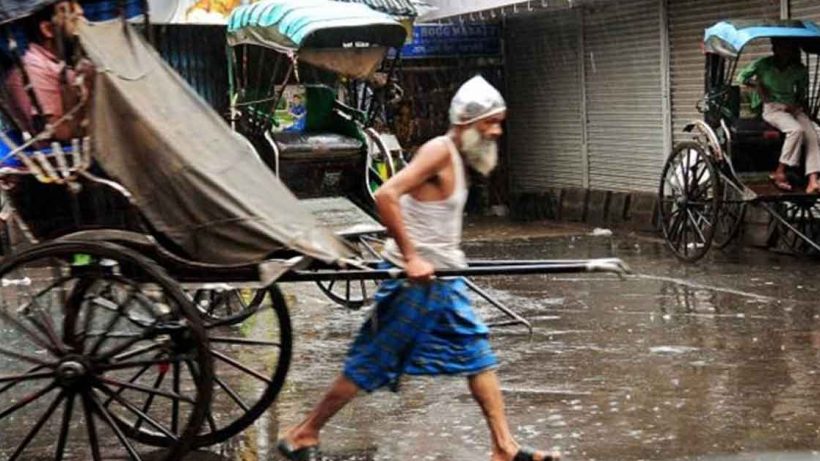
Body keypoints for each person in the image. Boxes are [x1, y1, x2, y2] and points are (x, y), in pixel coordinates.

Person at [277, 76, 559, 461]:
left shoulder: (458, 159)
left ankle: (503, 446)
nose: (496, 131)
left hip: (444, 280)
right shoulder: (439, 152)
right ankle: (303, 433)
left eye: (498, 122)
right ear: (464, 122)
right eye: (489, 123)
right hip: (414, 285)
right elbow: (386, 194)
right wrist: (412, 256)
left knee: (478, 354)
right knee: (370, 362)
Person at [737, 38, 820, 193]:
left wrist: (799, 107)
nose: (786, 51)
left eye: (790, 48)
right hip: (773, 108)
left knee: (813, 135)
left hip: (793, 108)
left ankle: (812, 180)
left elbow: (801, 93)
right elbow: (741, 77)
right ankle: (780, 171)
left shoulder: (799, 69)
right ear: (775, 48)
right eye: (782, 47)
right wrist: (757, 85)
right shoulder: (763, 64)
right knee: (796, 130)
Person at [3, 0, 89, 143]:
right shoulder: (33, 70)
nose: (80, 14)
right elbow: (59, 133)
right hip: (65, 157)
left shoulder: (62, 63)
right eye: (71, 15)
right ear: (48, 29)